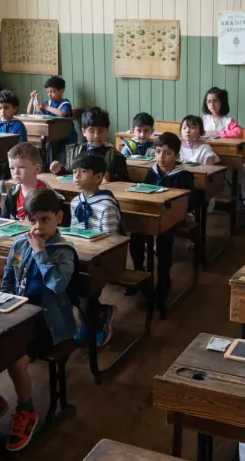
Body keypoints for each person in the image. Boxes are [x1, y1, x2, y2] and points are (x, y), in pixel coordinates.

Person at [0, 189, 78, 452]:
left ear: (59, 218)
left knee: (15, 360)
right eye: (32, 220)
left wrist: (41, 252)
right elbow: (8, 280)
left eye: (45, 220)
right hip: (20, 317)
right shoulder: (19, 244)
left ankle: (26, 410)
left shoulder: (63, 251)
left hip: (48, 324)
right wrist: (3, 307)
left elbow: (57, 285)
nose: (38, 227)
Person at [129, 133, 194, 311]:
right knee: (135, 235)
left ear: (177, 156)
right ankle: (139, 274)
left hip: (177, 217)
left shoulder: (184, 175)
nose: (161, 157)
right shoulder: (152, 171)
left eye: (167, 153)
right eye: (158, 152)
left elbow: (189, 203)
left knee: (165, 239)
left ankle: (163, 281)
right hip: (154, 215)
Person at [70, 154, 122, 347]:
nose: (76, 176)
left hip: (104, 258)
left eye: (83, 172)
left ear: (99, 177)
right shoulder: (76, 202)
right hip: (83, 255)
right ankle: (96, 315)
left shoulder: (106, 205)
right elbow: (75, 233)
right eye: (75, 172)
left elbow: (110, 241)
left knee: (84, 285)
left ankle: (96, 324)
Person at [49, 107, 128, 182]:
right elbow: (68, 173)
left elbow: (124, 179)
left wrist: (111, 177)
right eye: (92, 131)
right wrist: (59, 170)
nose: (96, 136)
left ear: (107, 131)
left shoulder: (116, 156)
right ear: (83, 132)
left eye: (100, 131)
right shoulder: (71, 152)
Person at [26, 75, 78, 154]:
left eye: (53, 91)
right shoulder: (47, 103)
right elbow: (29, 112)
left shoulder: (65, 104)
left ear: (61, 91)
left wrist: (46, 107)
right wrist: (32, 99)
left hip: (67, 137)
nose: (49, 94)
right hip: (53, 137)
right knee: (49, 150)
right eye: (48, 92)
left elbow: (62, 114)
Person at [1, 142, 47, 220]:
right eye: (12, 168)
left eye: (21, 167)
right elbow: (3, 219)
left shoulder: (46, 194)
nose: (15, 172)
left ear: (36, 169)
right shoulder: (12, 193)